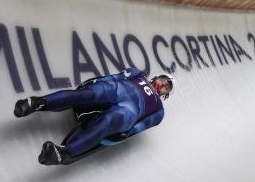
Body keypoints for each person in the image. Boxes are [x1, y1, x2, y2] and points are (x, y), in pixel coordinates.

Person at [13, 67, 174, 165]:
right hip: (116, 89)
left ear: (165, 94)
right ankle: (37, 103)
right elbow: (114, 77)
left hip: (130, 111)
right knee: (86, 94)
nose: (164, 84)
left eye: (167, 86)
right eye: (164, 79)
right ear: (158, 76)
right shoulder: (137, 73)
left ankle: (64, 152)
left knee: (108, 121)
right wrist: (96, 81)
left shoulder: (159, 111)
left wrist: (127, 133)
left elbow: (142, 125)